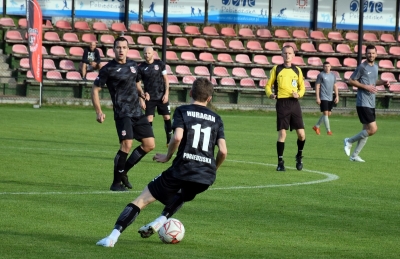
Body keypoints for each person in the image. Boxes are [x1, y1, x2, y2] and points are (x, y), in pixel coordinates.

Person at [96, 77, 228, 247]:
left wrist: (167, 156)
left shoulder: (183, 111)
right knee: (182, 194)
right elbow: (223, 151)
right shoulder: (217, 118)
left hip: (182, 169)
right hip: (205, 177)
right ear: (209, 98)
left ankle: (112, 237)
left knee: (142, 200)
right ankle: (161, 219)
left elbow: (178, 137)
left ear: (190, 92)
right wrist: (213, 169)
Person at [91, 37, 155, 191]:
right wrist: (99, 112)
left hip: (137, 112)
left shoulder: (133, 65)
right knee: (127, 144)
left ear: (128, 49)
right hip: (122, 112)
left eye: (124, 47)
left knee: (149, 144)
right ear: (114, 49)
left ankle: (123, 171)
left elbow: (136, 83)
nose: (121, 50)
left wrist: (142, 94)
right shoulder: (108, 69)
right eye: (118, 47)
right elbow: (95, 89)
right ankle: (116, 183)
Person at [343, 45, 390, 162]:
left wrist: (382, 82)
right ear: (365, 54)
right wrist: (366, 87)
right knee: (373, 129)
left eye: (373, 53)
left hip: (371, 102)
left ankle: (354, 156)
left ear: (376, 54)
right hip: (363, 102)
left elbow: (372, 82)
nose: (371, 55)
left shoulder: (375, 67)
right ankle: (349, 141)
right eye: (369, 53)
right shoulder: (362, 67)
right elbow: (351, 80)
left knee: (366, 129)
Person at [265, 45, 306, 172]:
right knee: (282, 133)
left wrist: (298, 94)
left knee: (301, 135)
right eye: (285, 53)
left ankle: (299, 156)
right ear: (282, 55)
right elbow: (268, 85)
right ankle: (280, 162)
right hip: (282, 104)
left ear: (293, 55)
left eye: (290, 53)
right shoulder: (276, 69)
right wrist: (270, 94)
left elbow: (302, 87)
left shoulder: (297, 70)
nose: (287, 55)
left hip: (294, 104)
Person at [136, 46, 172, 146]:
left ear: (153, 53)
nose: (147, 55)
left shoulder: (160, 64)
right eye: (145, 53)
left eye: (148, 53)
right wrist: (141, 100)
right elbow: (137, 84)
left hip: (161, 96)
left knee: (166, 117)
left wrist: (166, 94)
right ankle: (150, 140)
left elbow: (166, 79)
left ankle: (169, 139)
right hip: (149, 97)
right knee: (149, 119)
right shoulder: (140, 68)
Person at [312, 61, 339, 135]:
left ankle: (316, 126)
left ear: (330, 67)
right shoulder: (321, 75)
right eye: (325, 66)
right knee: (326, 114)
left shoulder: (333, 75)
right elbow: (317, 86)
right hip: (323, 97)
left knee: (328, 114)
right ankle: (328, 131)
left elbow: (335, 85)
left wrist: (337, 96)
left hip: (330, 97)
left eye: (328, 66)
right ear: (323, 67)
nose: (327, 68)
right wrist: (317, 97)